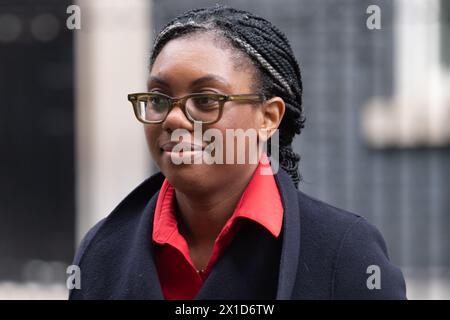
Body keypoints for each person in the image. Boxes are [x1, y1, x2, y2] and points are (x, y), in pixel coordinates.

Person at [69, 5, 406, 300]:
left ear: (268, 117)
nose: (172, 117)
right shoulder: (102, 252)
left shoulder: (345, 254)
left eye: (205, 100)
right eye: (158, 99)